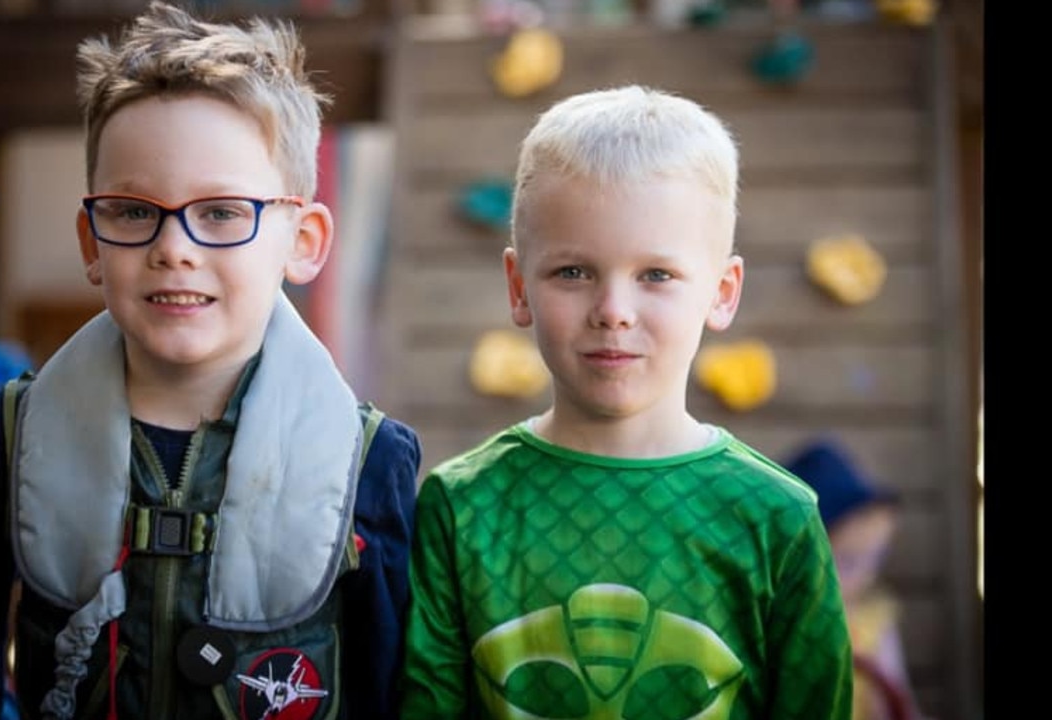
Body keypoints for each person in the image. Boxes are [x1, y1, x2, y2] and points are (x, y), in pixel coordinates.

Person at [0, 3, 421, 718]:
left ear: (302, 240)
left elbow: (391, 695)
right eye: (133, 210)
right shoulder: (6, 436)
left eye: (219, 213)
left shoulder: (370, 462)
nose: (173, 248)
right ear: (92, 244)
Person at [399, 85, 853, 719]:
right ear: (518, 285)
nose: (613, 311)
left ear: (722, 293)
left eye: (656, 275)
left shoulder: (778, 519)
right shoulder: (459, 508)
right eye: (574, 272)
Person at [785, 439, 932, 720]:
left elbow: (898, 700)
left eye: (874, 558)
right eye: (847, 562)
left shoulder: (873, 620)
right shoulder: (786, 624)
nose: (865, 576)